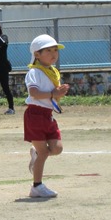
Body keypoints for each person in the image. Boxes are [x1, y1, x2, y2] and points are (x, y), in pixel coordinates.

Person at [25, 34, 70, 199]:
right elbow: (34, 93)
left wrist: (58, 93)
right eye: (48, 50)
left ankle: (36, 154)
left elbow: (50, 95)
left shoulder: (52, 72)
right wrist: (53, 93)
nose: (54, 54)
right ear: (37, 54)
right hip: (35, 115)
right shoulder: (34, 72)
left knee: (57, 149)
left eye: (55, 50)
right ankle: (36, 186)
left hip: (47, 115)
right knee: (44, 153)